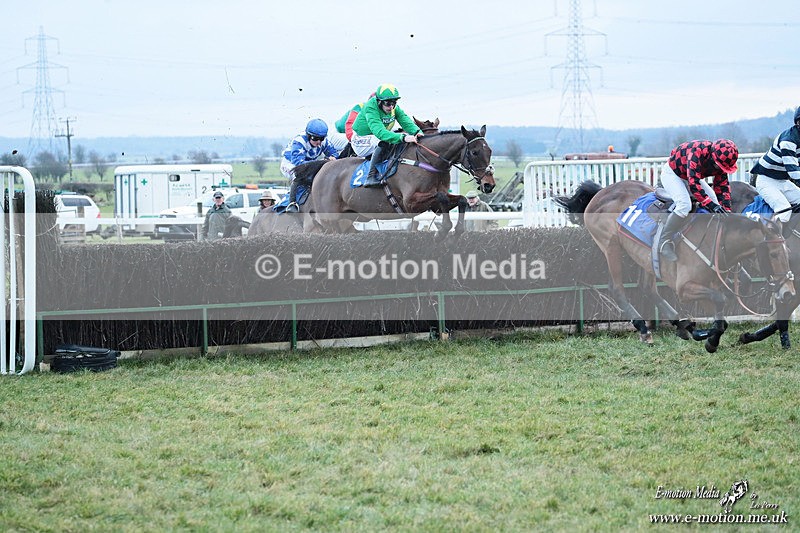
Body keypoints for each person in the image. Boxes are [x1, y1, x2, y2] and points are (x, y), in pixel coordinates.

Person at [657, 139, 738, 261]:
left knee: (716, 202)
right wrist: (711, 205)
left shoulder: (720, 161)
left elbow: (722, 188)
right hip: (673, 173)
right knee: (684, 205)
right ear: (712, 156)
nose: (718, 168)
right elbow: (693, 184)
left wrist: (726, 210)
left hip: (691, 174)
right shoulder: (697, 152)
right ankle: (664, 241)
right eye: (717, 165)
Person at [350, 83, 423, 187]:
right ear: (379, 101)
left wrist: (419, 133)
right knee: (384, 141)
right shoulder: (371, 107)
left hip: (375, 137)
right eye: (388, 103)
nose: (391, 107)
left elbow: (406, 122)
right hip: (361, 140)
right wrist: (404, 137)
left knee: (397, 139)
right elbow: (380, 133)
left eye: (394, 103)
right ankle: (370, 177)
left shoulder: (394, 108)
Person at [750, 106, 800, 223]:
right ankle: (769, 236)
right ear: (798, 122)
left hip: (782, 181)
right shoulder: (788, 140)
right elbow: (794, 173)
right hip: (766, 181)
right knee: (784, 210)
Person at [283, 118, 340, 213]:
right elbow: (299, 164)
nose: (318, 142)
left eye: (321, 138)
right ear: (308, 136)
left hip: (309, 163)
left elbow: (335, 154)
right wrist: (322, 161)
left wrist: (333, 158)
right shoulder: (299, 142)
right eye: (315, 138)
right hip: (291, 164)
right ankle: (292, 203)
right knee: (299, 176)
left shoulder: (324, 142)